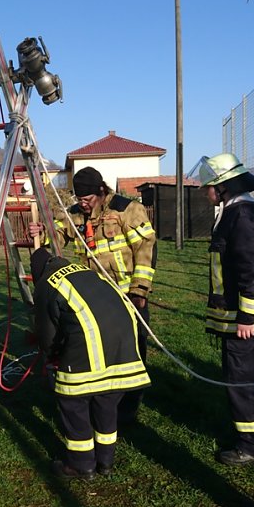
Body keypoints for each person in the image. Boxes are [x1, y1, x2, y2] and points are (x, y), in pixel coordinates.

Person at [29, 166, 156, 424]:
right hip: (96, 301)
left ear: (101, 191)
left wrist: (139, 290)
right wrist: (40, 232)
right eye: (79, 199)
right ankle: (102, 404)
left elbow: (146, 249)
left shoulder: (127, 210)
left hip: (128, 296)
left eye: (87, 199)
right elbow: (55, 236)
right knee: (100, 353)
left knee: (132, 353)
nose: (83, 204)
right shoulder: (74, 214)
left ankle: (127, 411)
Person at [30, 247, 151, 479]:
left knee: (73, 400)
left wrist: (53, 355)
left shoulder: (47, 283)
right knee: (106, 399)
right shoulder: (85, 271)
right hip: (125, 338)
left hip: (91, 340)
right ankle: (105, 461)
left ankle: (81, 464)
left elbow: (47, 335)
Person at [198, 153, 254, 466]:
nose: (206, 192)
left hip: (247, 322)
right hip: (241, 317)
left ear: (224, 187)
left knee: (242, 381)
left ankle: (251, 446)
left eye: (209, 186)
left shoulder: (241, 215)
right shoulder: (236, 212)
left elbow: (253, 268)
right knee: (244, 378)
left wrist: (246, 316)